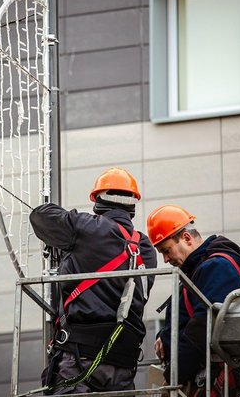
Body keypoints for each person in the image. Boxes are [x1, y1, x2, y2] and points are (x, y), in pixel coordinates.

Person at [30, 167, 157, 395]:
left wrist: (72, 221)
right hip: (124, 363)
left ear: (98, 200)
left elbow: (41, 216)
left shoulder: (88, 228)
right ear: (132, 206)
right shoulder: (146, 248)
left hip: (80, 358)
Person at [147, 205, 240, 396]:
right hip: (202, 377)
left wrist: (174, 375)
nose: (165, 259)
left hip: (210, 379)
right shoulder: (201, 271)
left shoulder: (218, 267)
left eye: (166, 250)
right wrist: (165, 335)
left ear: (186, 239)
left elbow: (202, 328)